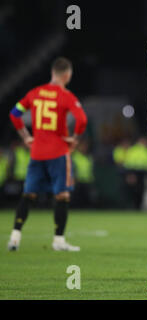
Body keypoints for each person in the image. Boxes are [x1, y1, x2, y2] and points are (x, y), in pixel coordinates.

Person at [7, 57, 88, 251]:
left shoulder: (34, 93)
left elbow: (14, 114)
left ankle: (15, 238)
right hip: (58, 152)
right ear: (67, 75)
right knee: (62, 196)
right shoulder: (66, 96)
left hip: (37, 152)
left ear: (52, 73)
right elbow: (82, 119)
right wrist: (75, 138)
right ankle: (58, 241)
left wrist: (26, 136)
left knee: (29, 194)